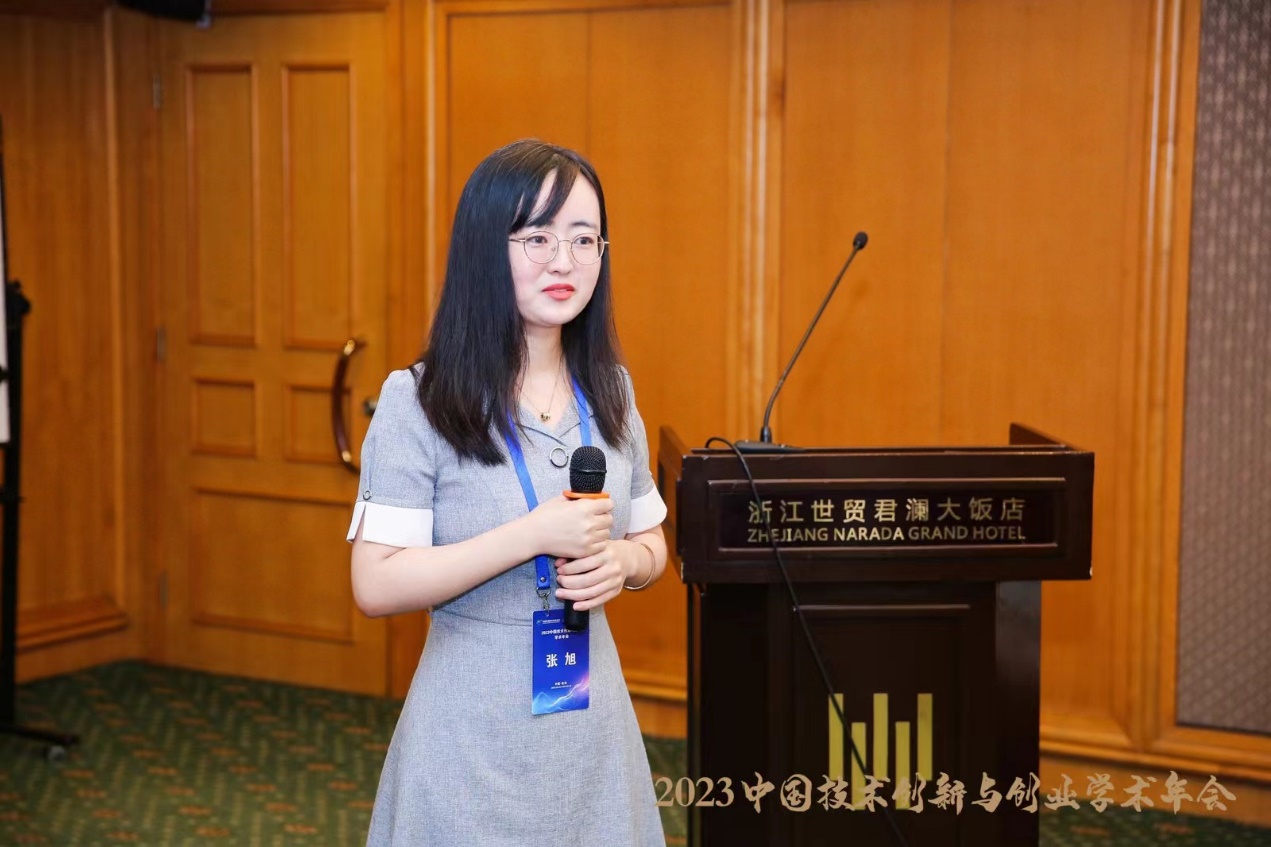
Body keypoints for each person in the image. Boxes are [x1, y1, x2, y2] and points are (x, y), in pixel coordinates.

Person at [346, 139, 668, 846]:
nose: (565, 261)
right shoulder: (420, 399)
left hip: (590, 729)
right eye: (538, 238)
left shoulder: (611, 391)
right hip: (467, 734)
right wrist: (529, 536)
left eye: (583, 239)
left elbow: (652, 540)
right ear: (486, 249)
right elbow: (375, 583)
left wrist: (625, 562)